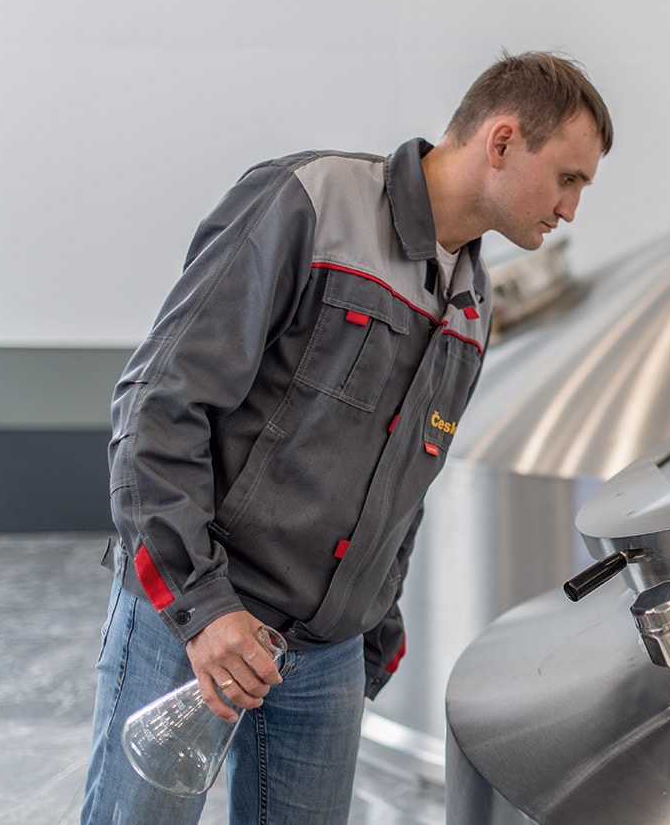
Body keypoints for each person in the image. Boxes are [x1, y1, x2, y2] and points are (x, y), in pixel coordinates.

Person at [81, 50, 613, 823]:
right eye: (568, 178)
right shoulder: (312, 202)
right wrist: (202, 606)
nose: (570, 210)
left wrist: (372, 635)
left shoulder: (471, 299)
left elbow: (406, 477)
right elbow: (158, 404)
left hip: (322, 657)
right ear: (500, 143)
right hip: (195, 618)